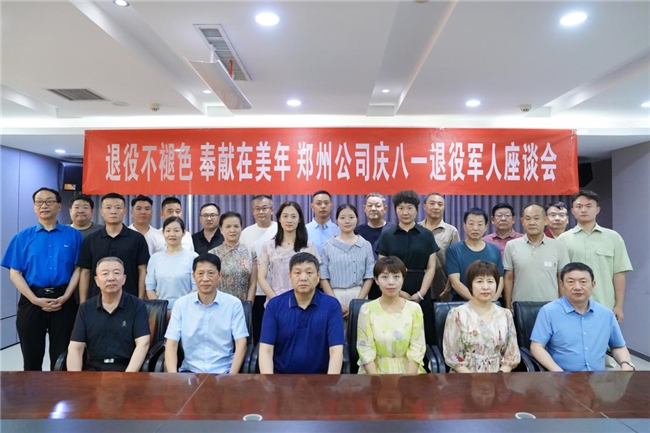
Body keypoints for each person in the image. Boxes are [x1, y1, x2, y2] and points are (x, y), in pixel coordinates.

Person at [1, 187, 83, 371]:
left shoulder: (74, 235)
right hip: (32, 298)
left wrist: (66, 296)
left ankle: (60, 389)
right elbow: (15, 273)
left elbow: (79, 269)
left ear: (58, 206)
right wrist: (34, 299)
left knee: (62, 357)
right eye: (39, 202)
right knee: (31, 357)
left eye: (49, 201)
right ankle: (32, 389)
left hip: (64, 298)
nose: (44, 205)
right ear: (34, 207)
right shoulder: (22, 237)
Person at [530, 262, 635, 372]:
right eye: (571, 282)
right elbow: (536, 347)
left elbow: (618, 346)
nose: (577, 287)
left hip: (598, 378)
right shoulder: (549, 311)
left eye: (583, 282)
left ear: (593, 284)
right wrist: (558, 372)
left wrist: (626, 363)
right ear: (562, 284)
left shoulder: (606, 314)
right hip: (563, 376)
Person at [259, 252, 344, 374]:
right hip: (281, 379)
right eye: (297, 273)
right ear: (290, 276)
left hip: (321, 379)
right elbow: (266, 350)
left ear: (318, 276)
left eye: (309, 273)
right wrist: (269, 383)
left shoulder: (331, 305)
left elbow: (336, 351)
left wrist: (330, 383)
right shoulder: (274, 306)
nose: (303, 278)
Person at [164, 254, 249, 374]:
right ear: (193, 276)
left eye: (211, 273)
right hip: (190, 372)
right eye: (200, 273)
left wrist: (231, 377)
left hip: (224, 371)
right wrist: (173, 377)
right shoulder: (181, 305)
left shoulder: (233, 304)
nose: (205, 279)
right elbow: (171, 344)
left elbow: (241, 343)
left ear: (219, 276)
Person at [558, 190, 632, 323]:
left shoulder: (613, 238)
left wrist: (619, 306)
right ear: (573, 211)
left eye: (589, 206)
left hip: (605, 305)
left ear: (597, 209)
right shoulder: (563, 240)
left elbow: (619, 274)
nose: (583, 210)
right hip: (572, 306)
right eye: (579, 206)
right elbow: (560, 277)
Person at [376, 190, 439, 345]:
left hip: (421, 288)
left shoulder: (426, 235)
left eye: (410, 208)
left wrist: (421, 293)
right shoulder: (387, 235)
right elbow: (381, 268)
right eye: (401, 208)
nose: (405, 212)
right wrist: (398, 291)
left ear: (417, 210)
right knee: (394, 333)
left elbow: (431, 267)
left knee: (422, 334)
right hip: (393, 287)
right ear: (395, 210)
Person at [67, 257, 150, 372]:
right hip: (93, 370)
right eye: (105, 274)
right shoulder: (86, 308)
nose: (111, 278)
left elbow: (143, 343)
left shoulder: (137, 306)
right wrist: (75, 378)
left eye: (116, 273)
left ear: (124, 279)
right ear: (97, 280)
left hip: (126, 369)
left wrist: (128, 377)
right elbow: (75, 347)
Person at [443, 260, 520, 373]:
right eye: (479, 281)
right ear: (470, 285)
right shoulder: (457, 314)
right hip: (465, 376)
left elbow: (511, 355)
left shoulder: (506, 314)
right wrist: (474, 379)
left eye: (490, 281)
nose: (485, 287)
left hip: (498, 376)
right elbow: (452, 355)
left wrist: (499, 376)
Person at [356, 256, 426, 374]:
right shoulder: (367, 310)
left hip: (409, 371)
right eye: (384, 277)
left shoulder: (414, 309)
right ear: (376, 280)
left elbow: (417, 348)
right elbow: (365, 350)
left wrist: (409, 380)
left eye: (396, 277)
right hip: (374, 372)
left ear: (403, 279)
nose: (391, 282)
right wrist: (376, 380)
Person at [77, 192, 150, 303]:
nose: (113, 211)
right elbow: (85, 272)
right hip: (96, 301)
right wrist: (83, 304)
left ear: (125, 211)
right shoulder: (91, 239)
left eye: (118, 208)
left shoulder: (137, 238)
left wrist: (140, 301)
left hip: (130, 301)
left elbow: (142, 270)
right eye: (108, 208)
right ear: (101, 212)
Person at [503, 203, 569, 309]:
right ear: (522, 221)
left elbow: (562, 280)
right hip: (520, 307)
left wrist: (563, 308)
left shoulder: (559, 246)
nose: (532, 222)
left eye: (536, 218)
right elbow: (508, 279)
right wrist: (507, 307)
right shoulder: (511, 245)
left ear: (545, 220)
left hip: (552, 307)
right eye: (528, 218)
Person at [320, 204, 375, 318]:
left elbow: (369, 276)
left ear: (357, 219)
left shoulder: (365, 245)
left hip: (359, 294)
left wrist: (358, 303)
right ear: (337, 220)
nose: (347, 221)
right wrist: (335, 302)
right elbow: (323, 277)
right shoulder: (328, 246)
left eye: (351, 217)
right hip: (334, 296)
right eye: (342, 217)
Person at [258, 201, 319, 299]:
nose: (289, 220)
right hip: (276, 300)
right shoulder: (269, 246)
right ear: (279, 219)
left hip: (304, 301)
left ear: (299, 219)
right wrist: (275, 300)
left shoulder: (309, 246)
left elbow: (316, 276)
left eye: (293, 216)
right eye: (285, 216)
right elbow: (261, 277)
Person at [240, 194, 278, 342]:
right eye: (257, 209)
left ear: (272, 210)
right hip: (254, 290)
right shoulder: (246, 232)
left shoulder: (280, 229)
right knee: (256, 331)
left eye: (264, 208)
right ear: (252, 211)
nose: (261, 212)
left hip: (276, 290)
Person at [446, 208, 504, 302]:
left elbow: (500, 279)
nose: (475, 228)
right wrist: (477, 302)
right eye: (471, 224)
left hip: (490, 302)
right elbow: (455, 282)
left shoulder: (494, 250)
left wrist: (492, 301)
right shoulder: (454, 250)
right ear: (464, 226)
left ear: (486, 227)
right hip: (462, 301)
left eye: (480, 224)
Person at [145, 217, 198, 312]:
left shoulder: (193, 257)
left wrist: (179, 309)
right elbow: (150, 289)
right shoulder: (155, 258)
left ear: (184, 233)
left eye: (176, 230)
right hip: (160, 312)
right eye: (168, 231)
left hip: (187, 310)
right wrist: (161, 309)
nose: (172, 234)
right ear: (163, 233)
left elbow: (196, 288)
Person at [418, 192, 460, 300]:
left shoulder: (451, 231)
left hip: (442, 288)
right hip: (417, 287)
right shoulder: (416, 229)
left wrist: (449, 287)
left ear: (444, 208)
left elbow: (456, 262)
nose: (436, 207)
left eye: (440, 204)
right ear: (424, 206)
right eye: (432, 203)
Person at [355, 192, 395, 300]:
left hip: (388, 280)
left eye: (377, 206)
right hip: (363, 282)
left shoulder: (394, 230)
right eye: (370, 205)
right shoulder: (358, 232)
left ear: (385, 208)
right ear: (364, 208)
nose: (373, 209)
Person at [208, 212, 257, 302]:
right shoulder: (213, 253)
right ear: (221, 230)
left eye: (236, 226)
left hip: (243, 304)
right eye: (228, 227)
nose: (232, 230)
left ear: (241, 228)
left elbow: (253, 283)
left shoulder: (250, 252)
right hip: (219, 303)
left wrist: (248, 304)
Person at [306, 190, 340, 255]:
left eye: (326, 203)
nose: (323, 206)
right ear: (312, 207)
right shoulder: (304, 230)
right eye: (319, 203)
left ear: (331, 206)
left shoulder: (339, 231)